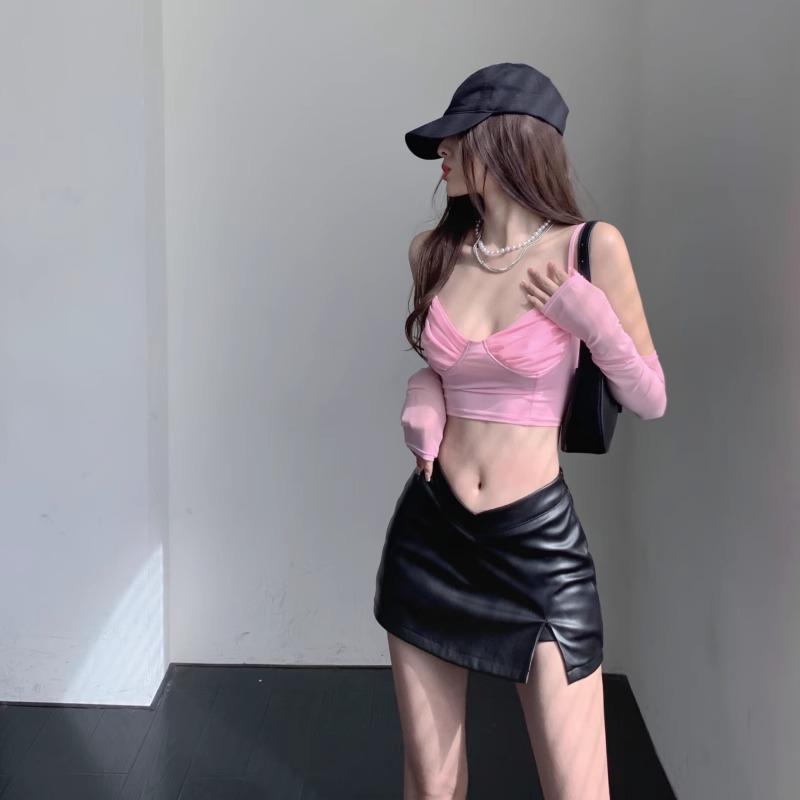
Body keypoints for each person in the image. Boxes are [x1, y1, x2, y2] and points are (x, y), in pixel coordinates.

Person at [373, 62, 667, 800]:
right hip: (429, 537)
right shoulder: (434, 251)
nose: (441, 154)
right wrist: (424, 392)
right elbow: (448, 369)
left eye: (454, 138)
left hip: (534, 545)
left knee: (578, 790)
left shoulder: (590, 248)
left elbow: (651, 397)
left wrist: (591, 320)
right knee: (431, 784)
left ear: (504, 140)